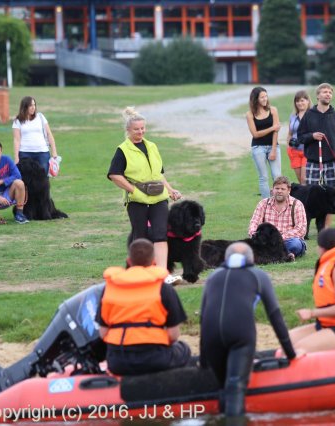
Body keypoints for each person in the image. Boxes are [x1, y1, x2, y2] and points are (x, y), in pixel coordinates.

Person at [199, 242, 296, 417]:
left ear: (226, 259)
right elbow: (275, 316)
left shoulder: (213, 276)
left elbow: (203, 317)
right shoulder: (258, 275)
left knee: (222, 387)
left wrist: (203, 359)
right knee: (235, 385)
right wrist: (291, 354)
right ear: (251, 259)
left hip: (211, 336)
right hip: (241, 336)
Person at [96, 238, 192, 375]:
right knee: (184, 349)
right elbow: (173, 334)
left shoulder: (110, 288)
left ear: (129, 261)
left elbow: (103, 333)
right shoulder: (164, 289)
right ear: (154, 262)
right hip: (154, 357)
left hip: (118, 360)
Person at [108, 107, 182, 269]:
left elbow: (159, 174)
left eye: (142, 128)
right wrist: (133, 190)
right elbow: (114, 175)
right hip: (137, 200)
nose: (141, 132)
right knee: (140, 236)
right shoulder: (123, 150)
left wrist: (170, 190)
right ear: (128, 130)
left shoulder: (152, 146)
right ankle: (139, 271)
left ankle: (161, 273)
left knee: (160, 235)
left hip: (159, 197)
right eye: (136, 129)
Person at [296, 82, 335, 228]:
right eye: (324, 92)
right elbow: (300, 137)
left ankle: (325, 228)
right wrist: (312, 136)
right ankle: (304, 228)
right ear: (318, 96)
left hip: (332, 162)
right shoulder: (309, 115)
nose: (327, 94)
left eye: (330, 92)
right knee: (311, 196)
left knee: (334, 195)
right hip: (313, 162)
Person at [248, 175, 307, 260]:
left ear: (289, 190)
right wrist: (255, 236)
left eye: (283, 189)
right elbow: (254, 223)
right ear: (272, 190)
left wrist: (278, 238)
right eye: (277, 188)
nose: (279, 191)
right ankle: (284, 255)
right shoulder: (263, 203)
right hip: (266, 241)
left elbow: (301, 229)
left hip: (287, 240)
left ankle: (276, 254)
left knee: (295, 244)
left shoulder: (297, 204)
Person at [246, 86, 281, 199]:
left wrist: (274, 150)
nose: (265, 99)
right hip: (258, 147)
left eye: (266, 96)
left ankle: (279, 201)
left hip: (273, 146)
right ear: (255, 99)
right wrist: (272, 128)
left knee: (277, 176)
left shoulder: (273, 110)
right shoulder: (250, 114)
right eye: (262, 97)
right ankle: (266, 204)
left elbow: (276, 132)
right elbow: (255, 134)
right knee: (263, 177)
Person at [12, 96, 59, 176]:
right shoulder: (18, 121)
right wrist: (16, 157)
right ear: (24, 107)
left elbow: (49, 134)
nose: (33, 107)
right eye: (30, 105)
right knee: (26, 178)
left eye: (34, 105)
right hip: (25, 153)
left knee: (42, 179)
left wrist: (54, 151)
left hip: (42, 153)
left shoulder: (40, 117)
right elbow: (17, 140)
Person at [286, 90, 311, 184]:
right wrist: (288, 148)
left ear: (308, 101)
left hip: (307, 151)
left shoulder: (312, 115)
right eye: (297, 101)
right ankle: (303, 198)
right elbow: (290, 133)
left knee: (305, 179)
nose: (300, 103)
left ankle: (309, 198)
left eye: (302, 100)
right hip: (294, 151)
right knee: (300, 181)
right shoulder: (293, 116)